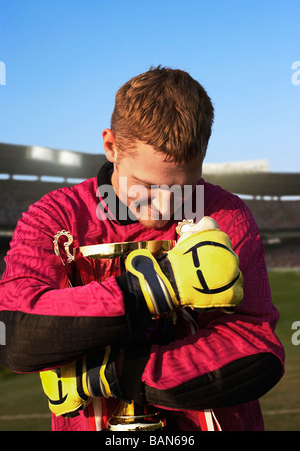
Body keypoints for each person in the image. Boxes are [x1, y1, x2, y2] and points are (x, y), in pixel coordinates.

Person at [0, 66, 284, 431]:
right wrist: (158, 286)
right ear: (111, 146)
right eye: (147, 186)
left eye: (183, 187)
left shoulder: (225, 211)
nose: (164, 208)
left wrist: (120, 373)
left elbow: (256, 352)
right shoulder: (55, 215)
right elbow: (17, 333)